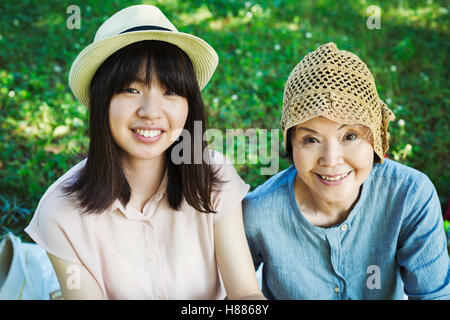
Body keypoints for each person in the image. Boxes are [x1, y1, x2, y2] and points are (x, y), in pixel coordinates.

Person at [25, 5, 264, 300]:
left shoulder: (213, 177)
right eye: (131, 90)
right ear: (103, 102)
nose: (151, 112)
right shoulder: (60, 212)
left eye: (171, 91)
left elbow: (245, 296)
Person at [243, 42, 450, 300]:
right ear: (291, 144)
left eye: (350, 136)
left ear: (375, 138)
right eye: (310, 140)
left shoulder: (410, 196)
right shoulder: (258, 213)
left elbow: (434, 296)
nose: (331, 160)